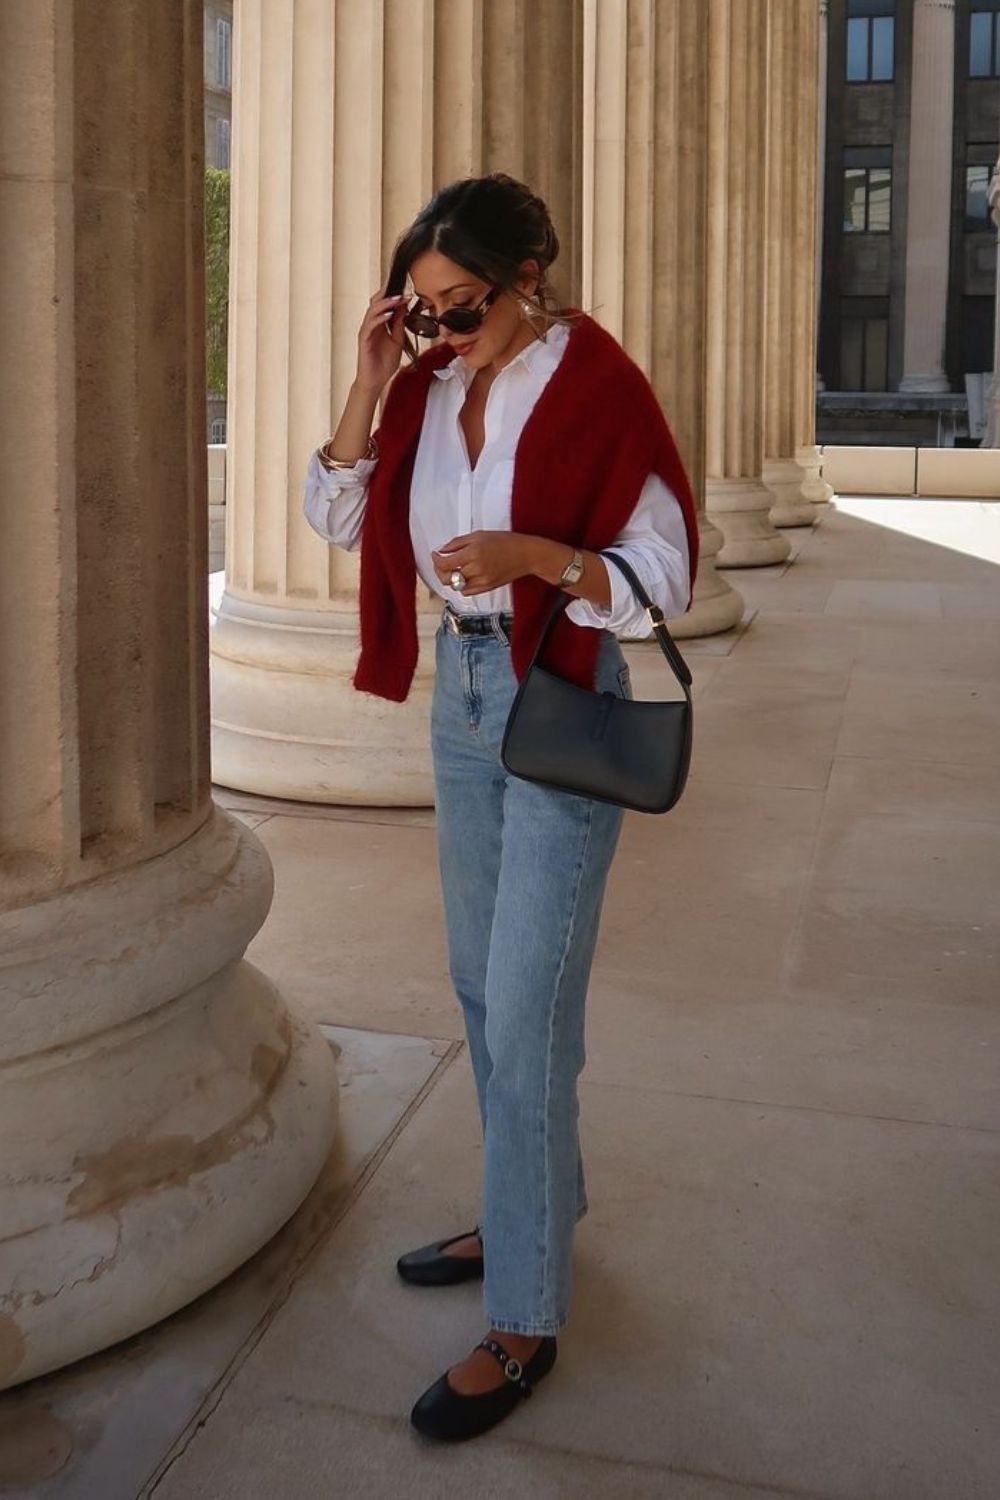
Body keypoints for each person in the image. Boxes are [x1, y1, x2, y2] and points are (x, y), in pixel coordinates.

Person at [302, 173, 699, 1442]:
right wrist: (372, 378)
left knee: (526, 1008)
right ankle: (529, 1202)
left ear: (528, 277)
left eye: (458, 309)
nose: (441, 335)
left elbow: (665, 572)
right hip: (464, 694)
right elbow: (333, 512)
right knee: (482, 983)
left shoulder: (594, 384)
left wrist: (536, 557)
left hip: (562, 686)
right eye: (421, 315)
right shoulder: (423, 390)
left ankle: (526, 1314)